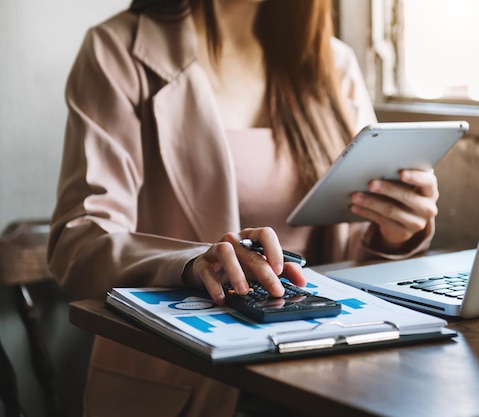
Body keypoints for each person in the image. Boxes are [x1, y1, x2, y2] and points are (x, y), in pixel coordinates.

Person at [47, 0, 440, 415]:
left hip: (332, 372)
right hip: (187, 378)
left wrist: (394, 233)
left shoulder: (332, 60)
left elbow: (353, 252)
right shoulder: (118, 50)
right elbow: (79, 242)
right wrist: (190, 263)